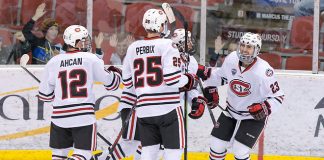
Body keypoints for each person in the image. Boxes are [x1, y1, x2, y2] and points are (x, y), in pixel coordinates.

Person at [121, 8, 198, 160]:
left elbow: (128, 82)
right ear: (162, 26)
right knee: (174, 152)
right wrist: (188, 79)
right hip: (168, 108)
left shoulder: (132, 48)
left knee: (149, 152)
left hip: (144, 110)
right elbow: (172, 79)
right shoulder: (169, 45)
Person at [38, 25, 121, 160]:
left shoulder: (53, 62)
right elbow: (111, 83)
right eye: (83, 40)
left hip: (59, 118)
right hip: (83, 117)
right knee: (83, 154)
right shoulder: (90, 58)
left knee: (58, 156)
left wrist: (55, 94)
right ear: (75, 42)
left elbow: (45, 96)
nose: (86, 43)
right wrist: (116, 72)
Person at [201, 32, 284, 160]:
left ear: (257, 50)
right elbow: (221, 77)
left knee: (240, 151)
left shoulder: (264, 71)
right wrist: (208, 84)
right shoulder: (232, 58)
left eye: (249, 47)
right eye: (242, 45)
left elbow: (278, 97)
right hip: (231, 112)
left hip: (253, 117)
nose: (244, 49)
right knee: (216, 146)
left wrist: (264, 107)